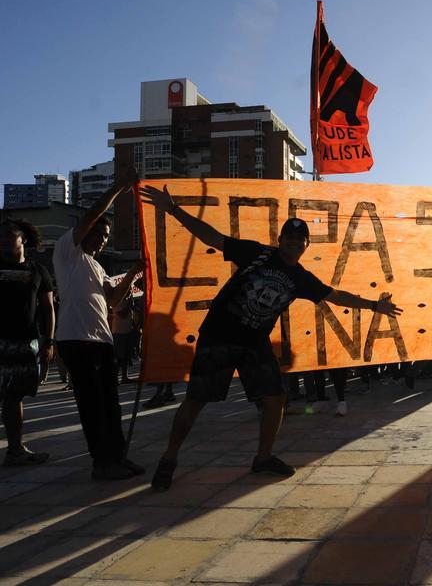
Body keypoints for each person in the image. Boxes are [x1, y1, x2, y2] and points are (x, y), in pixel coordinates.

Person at [140, 185, 403, 491]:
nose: (293, 243)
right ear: (280, 241)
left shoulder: (300, 278)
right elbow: (211, 237)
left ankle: (263, 458)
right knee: (197, 400)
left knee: (276, 398)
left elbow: (335, 295)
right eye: (288, 239)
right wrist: (173, 210)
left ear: (306, 244)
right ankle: (169, 459)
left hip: (254, 343)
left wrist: (374, 305)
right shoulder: (256, 253)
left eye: (299, 240)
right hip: (220, 336)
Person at [53, 176, 145, 480]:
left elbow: (113, 300)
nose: (102, 238)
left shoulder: (97, 266)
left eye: (106, 235)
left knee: (111, 403)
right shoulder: (68, 252)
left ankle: (117, 456)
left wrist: (133, 272)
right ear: (83, 231)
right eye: (98, 232)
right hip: (76, 340)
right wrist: (120, 187)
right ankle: (102, 462)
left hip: (100, 340)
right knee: (92, 405)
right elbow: (92, 212)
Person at [1, 220, 54, 467]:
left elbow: (48, 309)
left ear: (23, 240)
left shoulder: (38, 271)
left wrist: (48, 341)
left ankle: (15, 450)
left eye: (9, 236)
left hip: (25, 343)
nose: (3, 240)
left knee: (14, 397)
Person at [111, 291, 135, 383]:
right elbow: (122, 314)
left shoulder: (126, 301)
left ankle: (125, 377)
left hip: (127, 331)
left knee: (125, 356)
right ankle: (115, 378)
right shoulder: (118, 301)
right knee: (119, 357)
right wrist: (129, 303)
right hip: (119, 332)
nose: (129, 292)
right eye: (128, 291)